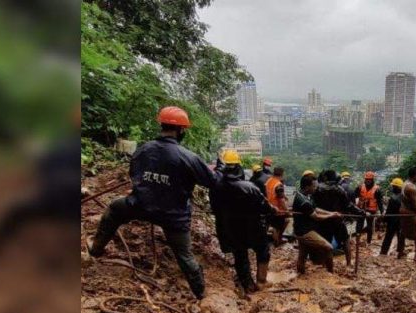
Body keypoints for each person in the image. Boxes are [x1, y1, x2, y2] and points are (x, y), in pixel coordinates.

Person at [87, 106, 216, 299]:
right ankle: (200, 294)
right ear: (181, 130)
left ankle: (96, 249)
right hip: (173, 216)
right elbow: (211, 181)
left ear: (161, 125)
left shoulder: (143, 149)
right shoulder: (188, 157)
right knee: (185, 255)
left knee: (114, 209)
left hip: (140, 205)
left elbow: (134, 174)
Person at [209, 150, 276, 297]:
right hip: (253, 226)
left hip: (230, 227)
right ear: (239, 167)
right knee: (263, 250)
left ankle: (248, 285)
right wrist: (273, 209)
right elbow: (264, 207)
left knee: (240, 255)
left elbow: (214, 207)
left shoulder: (216, 187)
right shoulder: (249, 187)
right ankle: (261, 281)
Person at [292, 174, 342, 274]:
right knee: (329, 247)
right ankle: (330, 274)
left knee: (302, 255)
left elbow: (316, 209)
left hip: (301, 230)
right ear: (307, 187)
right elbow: (316, 217)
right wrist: (331, 216)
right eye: (314, 186)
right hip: (305, 232)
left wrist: (332, 213)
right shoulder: (303, 201)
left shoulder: (306, 196)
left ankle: (300, 276)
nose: (316, 188)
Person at [313, 169, 364, 265]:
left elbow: (313, 206)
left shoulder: (318, 189)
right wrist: (361, 212)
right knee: (345, 241)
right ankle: (348, 263)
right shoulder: (339, 189)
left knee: (325, 243)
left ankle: (326, 266)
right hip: (337, 219)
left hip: (323, 220)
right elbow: (348, 205)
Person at [354, 171, 384, 244]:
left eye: (369, 179)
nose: (368, 181)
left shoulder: (377, 190)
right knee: (359, 225)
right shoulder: (360, 187)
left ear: (372, 180)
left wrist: (382, 211)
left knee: (369, 226)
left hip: (371, 210)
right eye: (367, 179)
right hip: (361, 209)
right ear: (365, 179)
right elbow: (354, 196)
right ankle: (357, 241)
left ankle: (369, 242)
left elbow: (380, 202)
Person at [380, 178, 406, 258]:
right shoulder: (404, 197)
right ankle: (400, 253)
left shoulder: (393, 198)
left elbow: (389, 211)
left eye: (393, 186)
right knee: (401, 237)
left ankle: (383, 252)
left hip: (392, 220)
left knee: (388, 237)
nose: (392, 188)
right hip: (401, 220)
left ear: (396, 187)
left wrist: (384, 220)